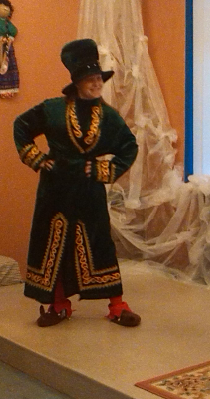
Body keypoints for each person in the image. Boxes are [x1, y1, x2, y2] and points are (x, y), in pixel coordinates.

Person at [14, 38, 141, 328]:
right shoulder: (52, 109)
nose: (97, 84)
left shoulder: (108, 116)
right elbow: (20, 126)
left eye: (99, 78)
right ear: (77, 82)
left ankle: (117, 305)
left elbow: (129, 146)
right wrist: (36, 158)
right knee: (55, 244)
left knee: (99, 242)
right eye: (91, 79)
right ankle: (59, 304)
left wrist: (103, 170)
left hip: (88, 190)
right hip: (55, 189)